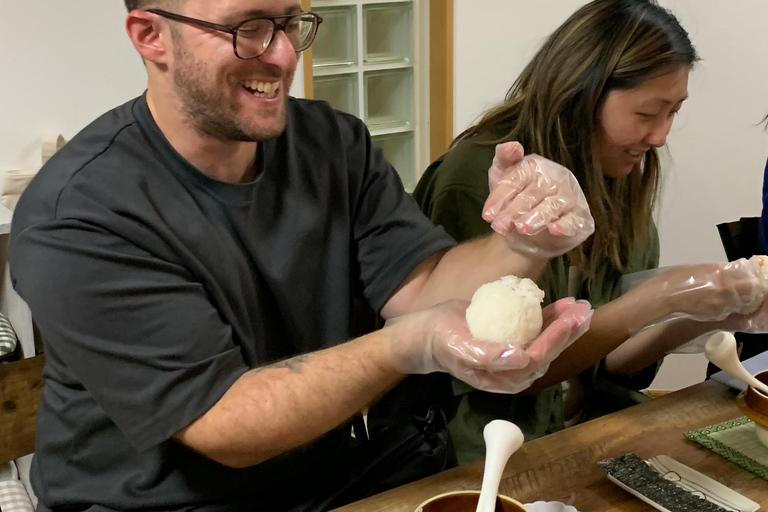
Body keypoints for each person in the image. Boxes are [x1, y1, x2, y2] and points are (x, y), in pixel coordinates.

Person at [8, 1, 597, 511]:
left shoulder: (330, 143)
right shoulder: (78, 214)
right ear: (150, 36)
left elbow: (424, 287)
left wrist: (523, 241)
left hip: (338, 482)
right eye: (248, 28)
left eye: (291, 22)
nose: (286, 56)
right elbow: (225, 422)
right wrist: (410, 344)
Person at [411, 0, 768, 464]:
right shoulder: (479, 180)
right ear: (582, 93)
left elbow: (615, 366)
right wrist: (659, 297)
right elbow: (510, 369)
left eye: (673, 112)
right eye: (647, 114)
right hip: (485, 448)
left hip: (586, 431)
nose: (660, 136)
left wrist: (710, 309)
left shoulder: (619, 172)